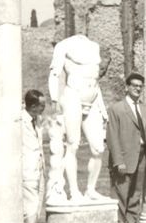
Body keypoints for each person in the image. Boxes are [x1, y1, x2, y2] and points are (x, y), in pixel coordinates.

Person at [47, 34, 111, 203]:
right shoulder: (63, 45)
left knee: (98, 148)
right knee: (73, 145)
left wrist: (103, 110)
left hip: (93, 96)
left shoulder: (94, 46)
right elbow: (54, 74)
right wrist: (55, 100)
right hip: (73, 95)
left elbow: (96, 82)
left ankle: (91, 190)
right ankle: (74, 191)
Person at [106, 72, 146, 223]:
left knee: (136, 194)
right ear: (127, 87)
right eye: (134, 85)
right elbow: (112, 137)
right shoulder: (116, 109)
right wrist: (118, 161)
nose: (137, 89)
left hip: (142, 155)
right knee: (121, 195)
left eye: (140, 86)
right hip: (124, 158)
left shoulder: (145, 109)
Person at [22, 89, 47, 223]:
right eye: (42, 106)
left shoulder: (38, 120)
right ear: (33, 106)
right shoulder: (20, 121)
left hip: (39, 168)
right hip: (27, 169)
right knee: (30, 206)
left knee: (37, 205)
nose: (44, 108)